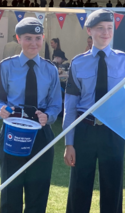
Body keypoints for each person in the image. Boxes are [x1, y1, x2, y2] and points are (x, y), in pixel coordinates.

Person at [63, 9, 125, 213]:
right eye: (100, 28)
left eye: (109, 28)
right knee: (79, 189)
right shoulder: (78, 62)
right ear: (89, 31)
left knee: (112, 188)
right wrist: (69, 143)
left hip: (112, 131)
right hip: (85, 130)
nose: (105, 33)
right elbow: (70, 106)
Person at [0, 18, 62, 213]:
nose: (34, 43)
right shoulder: (5, 67)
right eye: (28, 38)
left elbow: (55, 104)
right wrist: (1, 108)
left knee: (39, 190)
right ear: (18, 39)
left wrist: (48, 116)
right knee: (11, 190)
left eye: (38, 38)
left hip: (40, 134)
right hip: (13, 133)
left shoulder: (50, 69)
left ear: (43, 38)